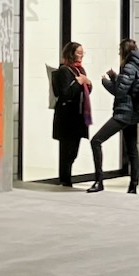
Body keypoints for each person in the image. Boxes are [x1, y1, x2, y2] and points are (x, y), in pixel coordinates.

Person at [89, 38, 139, 194]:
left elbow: (120, 92)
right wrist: (115, 77)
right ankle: (133, 186)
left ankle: (99, 181)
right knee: (132, 150)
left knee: (96, 141)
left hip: (123, 113)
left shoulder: (129, 67)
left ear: (124, 51)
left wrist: (105, 82)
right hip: (134, 113)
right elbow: (128, 87)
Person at [51, 41, 92, 188]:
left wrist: (88, 83)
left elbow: (85, 91)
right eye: (78, 53)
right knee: (67, 151)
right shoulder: (64, 70)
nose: (81, 56)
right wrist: (78, 82)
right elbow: (65, 94)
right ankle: (65, 180)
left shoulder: (80, 70)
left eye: (82, 53)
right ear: (71, 53)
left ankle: (66, 178)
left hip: (78, 116)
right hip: (67, 117)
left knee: (74, 150)